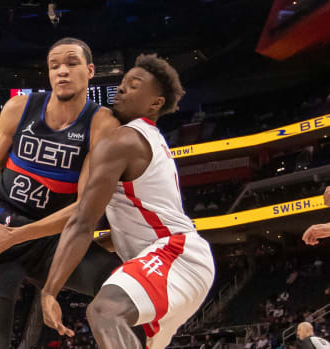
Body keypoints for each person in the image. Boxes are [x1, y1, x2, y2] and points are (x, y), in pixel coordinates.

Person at [0, 37, 121, 348]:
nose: (62, 71)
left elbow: (85, 207)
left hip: (52, 237)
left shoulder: (102, 124)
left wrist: (17, 236)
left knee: (122, 284)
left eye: (72, 63)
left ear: (90, 70)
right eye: (54, 65)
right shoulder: (20, 108)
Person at [41, 54, 215, 349]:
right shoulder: (149, 138)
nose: (121, 89)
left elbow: (84, 221)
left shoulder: (123, 139)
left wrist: (49, 291)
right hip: (171, 259)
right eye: (122, 84)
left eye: (133, 85)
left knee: (103, 312)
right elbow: (137, 223)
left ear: (155, 103)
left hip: (175, 255)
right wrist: (106, 243)